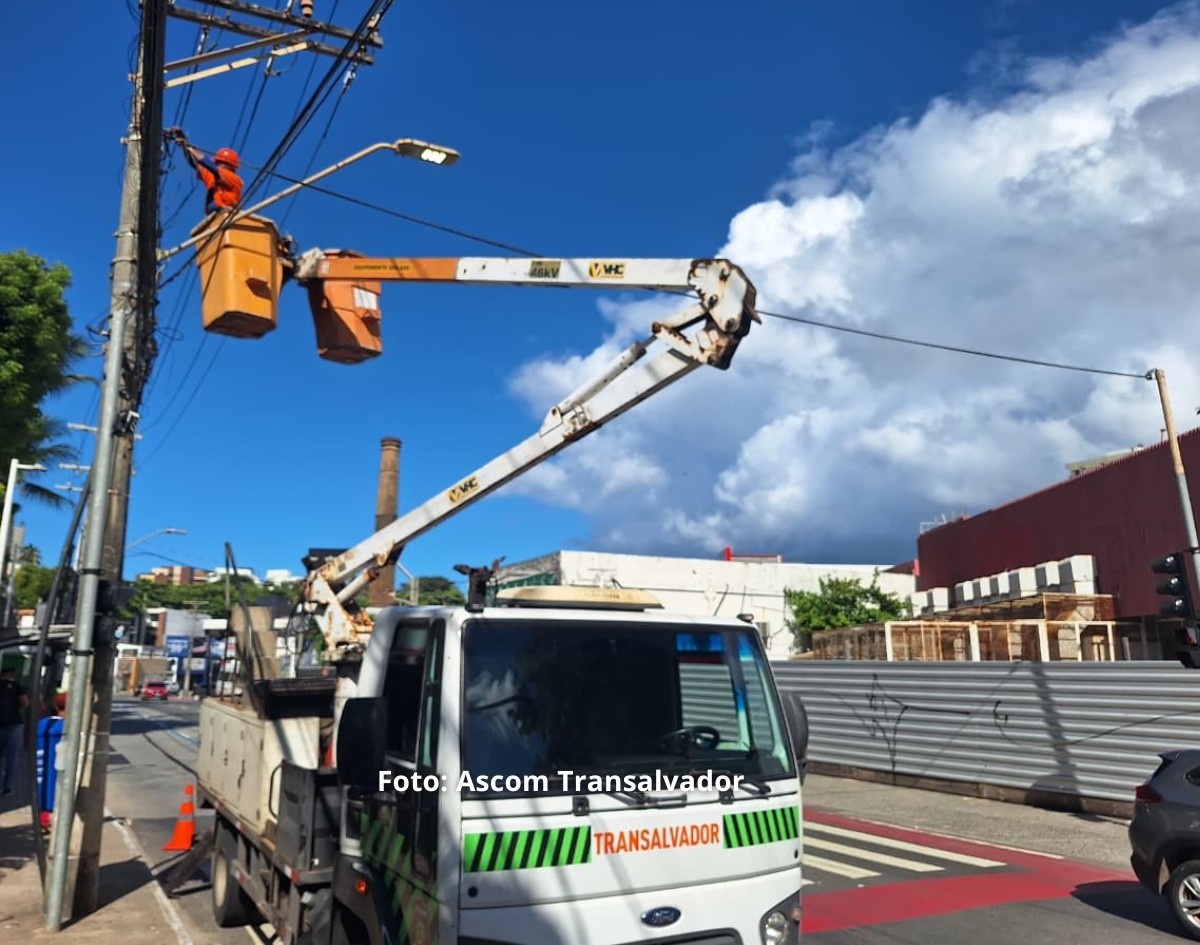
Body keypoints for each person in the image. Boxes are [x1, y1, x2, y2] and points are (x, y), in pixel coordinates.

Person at [170, 128, 244, 214]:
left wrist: (189, 147)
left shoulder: (233, 179)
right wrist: (185, 145)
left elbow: (207, 163)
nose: (219, 165)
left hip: (228, 212)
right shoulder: (214, 176)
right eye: (218, 162)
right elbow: (196, 163)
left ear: (229, 166)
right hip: (215, 213)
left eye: (221, 163)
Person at [0, 666, 29, 795]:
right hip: (15, 725)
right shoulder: (17, 686)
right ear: (12, 674)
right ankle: (7, 787)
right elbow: (25, 703)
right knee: (12, 757)